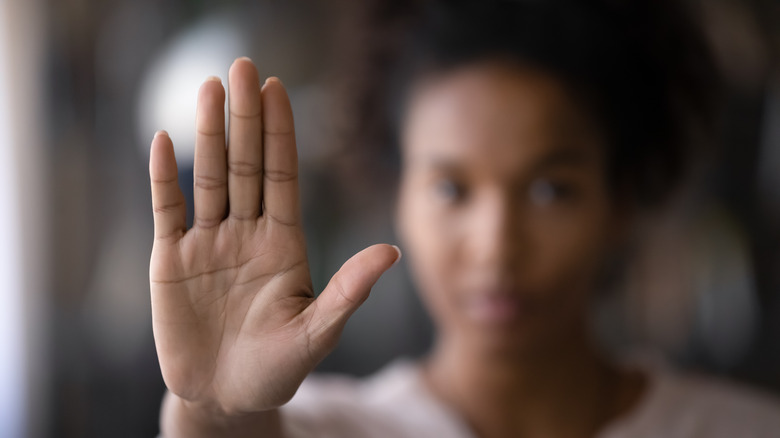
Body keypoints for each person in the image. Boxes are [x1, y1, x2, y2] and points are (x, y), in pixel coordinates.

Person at [148, 1, 780, 437]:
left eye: (550, 189)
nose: (496, 248)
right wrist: (213, 410)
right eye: (452, 188)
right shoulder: (319, 429)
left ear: (621, 198)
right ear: (397, 196)